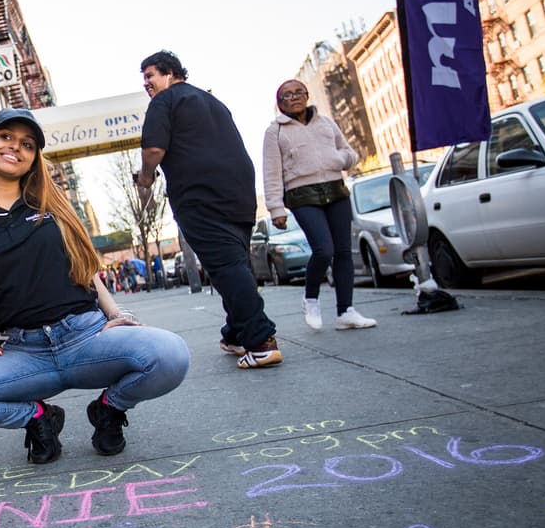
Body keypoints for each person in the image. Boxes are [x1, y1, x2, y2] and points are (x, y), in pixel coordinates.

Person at [0, 108, 190, 464]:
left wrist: (115, 312)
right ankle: (37, 417)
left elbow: (85, 267)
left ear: (34, 157)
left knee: (171, 355)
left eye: (27, 144)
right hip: (23, 353)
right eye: (6, 137)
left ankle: (110, 408)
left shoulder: (52, 204)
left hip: (86, 338)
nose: (15, 147)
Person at [137, 50, 281, 368]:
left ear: (170, 74)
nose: (146, 83)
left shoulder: (164, 101)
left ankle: (261, 342)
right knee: (234, 263)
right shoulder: (212, 101)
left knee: (227, 266)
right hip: (239, 190)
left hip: (200, 195)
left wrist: (145, 178)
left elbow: (154, 149)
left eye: (150, 76)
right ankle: (235, 334)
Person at [263, 80, 377, 331]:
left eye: (299, 93)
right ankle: (311, 298)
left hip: (335, 190)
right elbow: (271, 172)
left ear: (307, 96)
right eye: (287, 95)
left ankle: (346, 311)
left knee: (343, 252)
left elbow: (349, 153)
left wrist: (339, 158)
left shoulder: (325, 123)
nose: (294, 97)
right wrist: (276, 208)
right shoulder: (275, 132)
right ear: (280, 104)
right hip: (302, 195)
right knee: (324, 250)